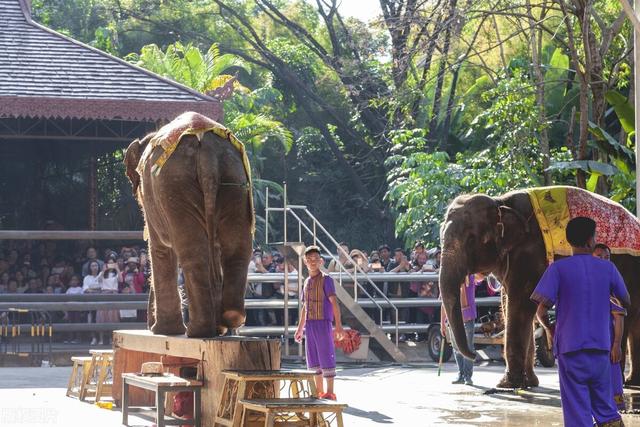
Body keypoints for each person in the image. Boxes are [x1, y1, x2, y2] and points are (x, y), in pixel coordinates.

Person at [531, 217, 630, 427]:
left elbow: (541, 310)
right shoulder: (608, 269)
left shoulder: (557, 269)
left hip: (570, 349)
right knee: (606, 408)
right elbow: (626, 300)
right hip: (601, 349)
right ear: (589, 240)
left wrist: (550, 329)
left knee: (577, 410)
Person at [295, 246, 345, 400]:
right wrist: (299, 328)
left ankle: (330, 392)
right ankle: (319, 391)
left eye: (315, 259)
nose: (312, 262)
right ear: (305, 262)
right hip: (310, 325)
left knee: (326, 355)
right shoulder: (306, 282)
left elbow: (334, 303)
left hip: (323, 322)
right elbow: (305, 307)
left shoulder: (326, 279)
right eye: (309, 259)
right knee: (313, 358)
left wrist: (338, 326)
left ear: (321, 261)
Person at [593, 243, 626, 411]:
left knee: (611, 376)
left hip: (607, 342)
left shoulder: (610, 286)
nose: (604, 260)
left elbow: (618, 317)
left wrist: (617, 344)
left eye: (607, 257)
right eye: (599, 257)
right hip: (588, 343)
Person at [441, 273, 483, 385]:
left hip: (467, 317)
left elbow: (482, 277)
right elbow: (444, 302)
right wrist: (442, 322)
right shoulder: (450, 279)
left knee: (468, 347)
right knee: (456, 347)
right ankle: (461, 374)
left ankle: (467, 376)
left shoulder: (470, 277)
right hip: (453, 318)